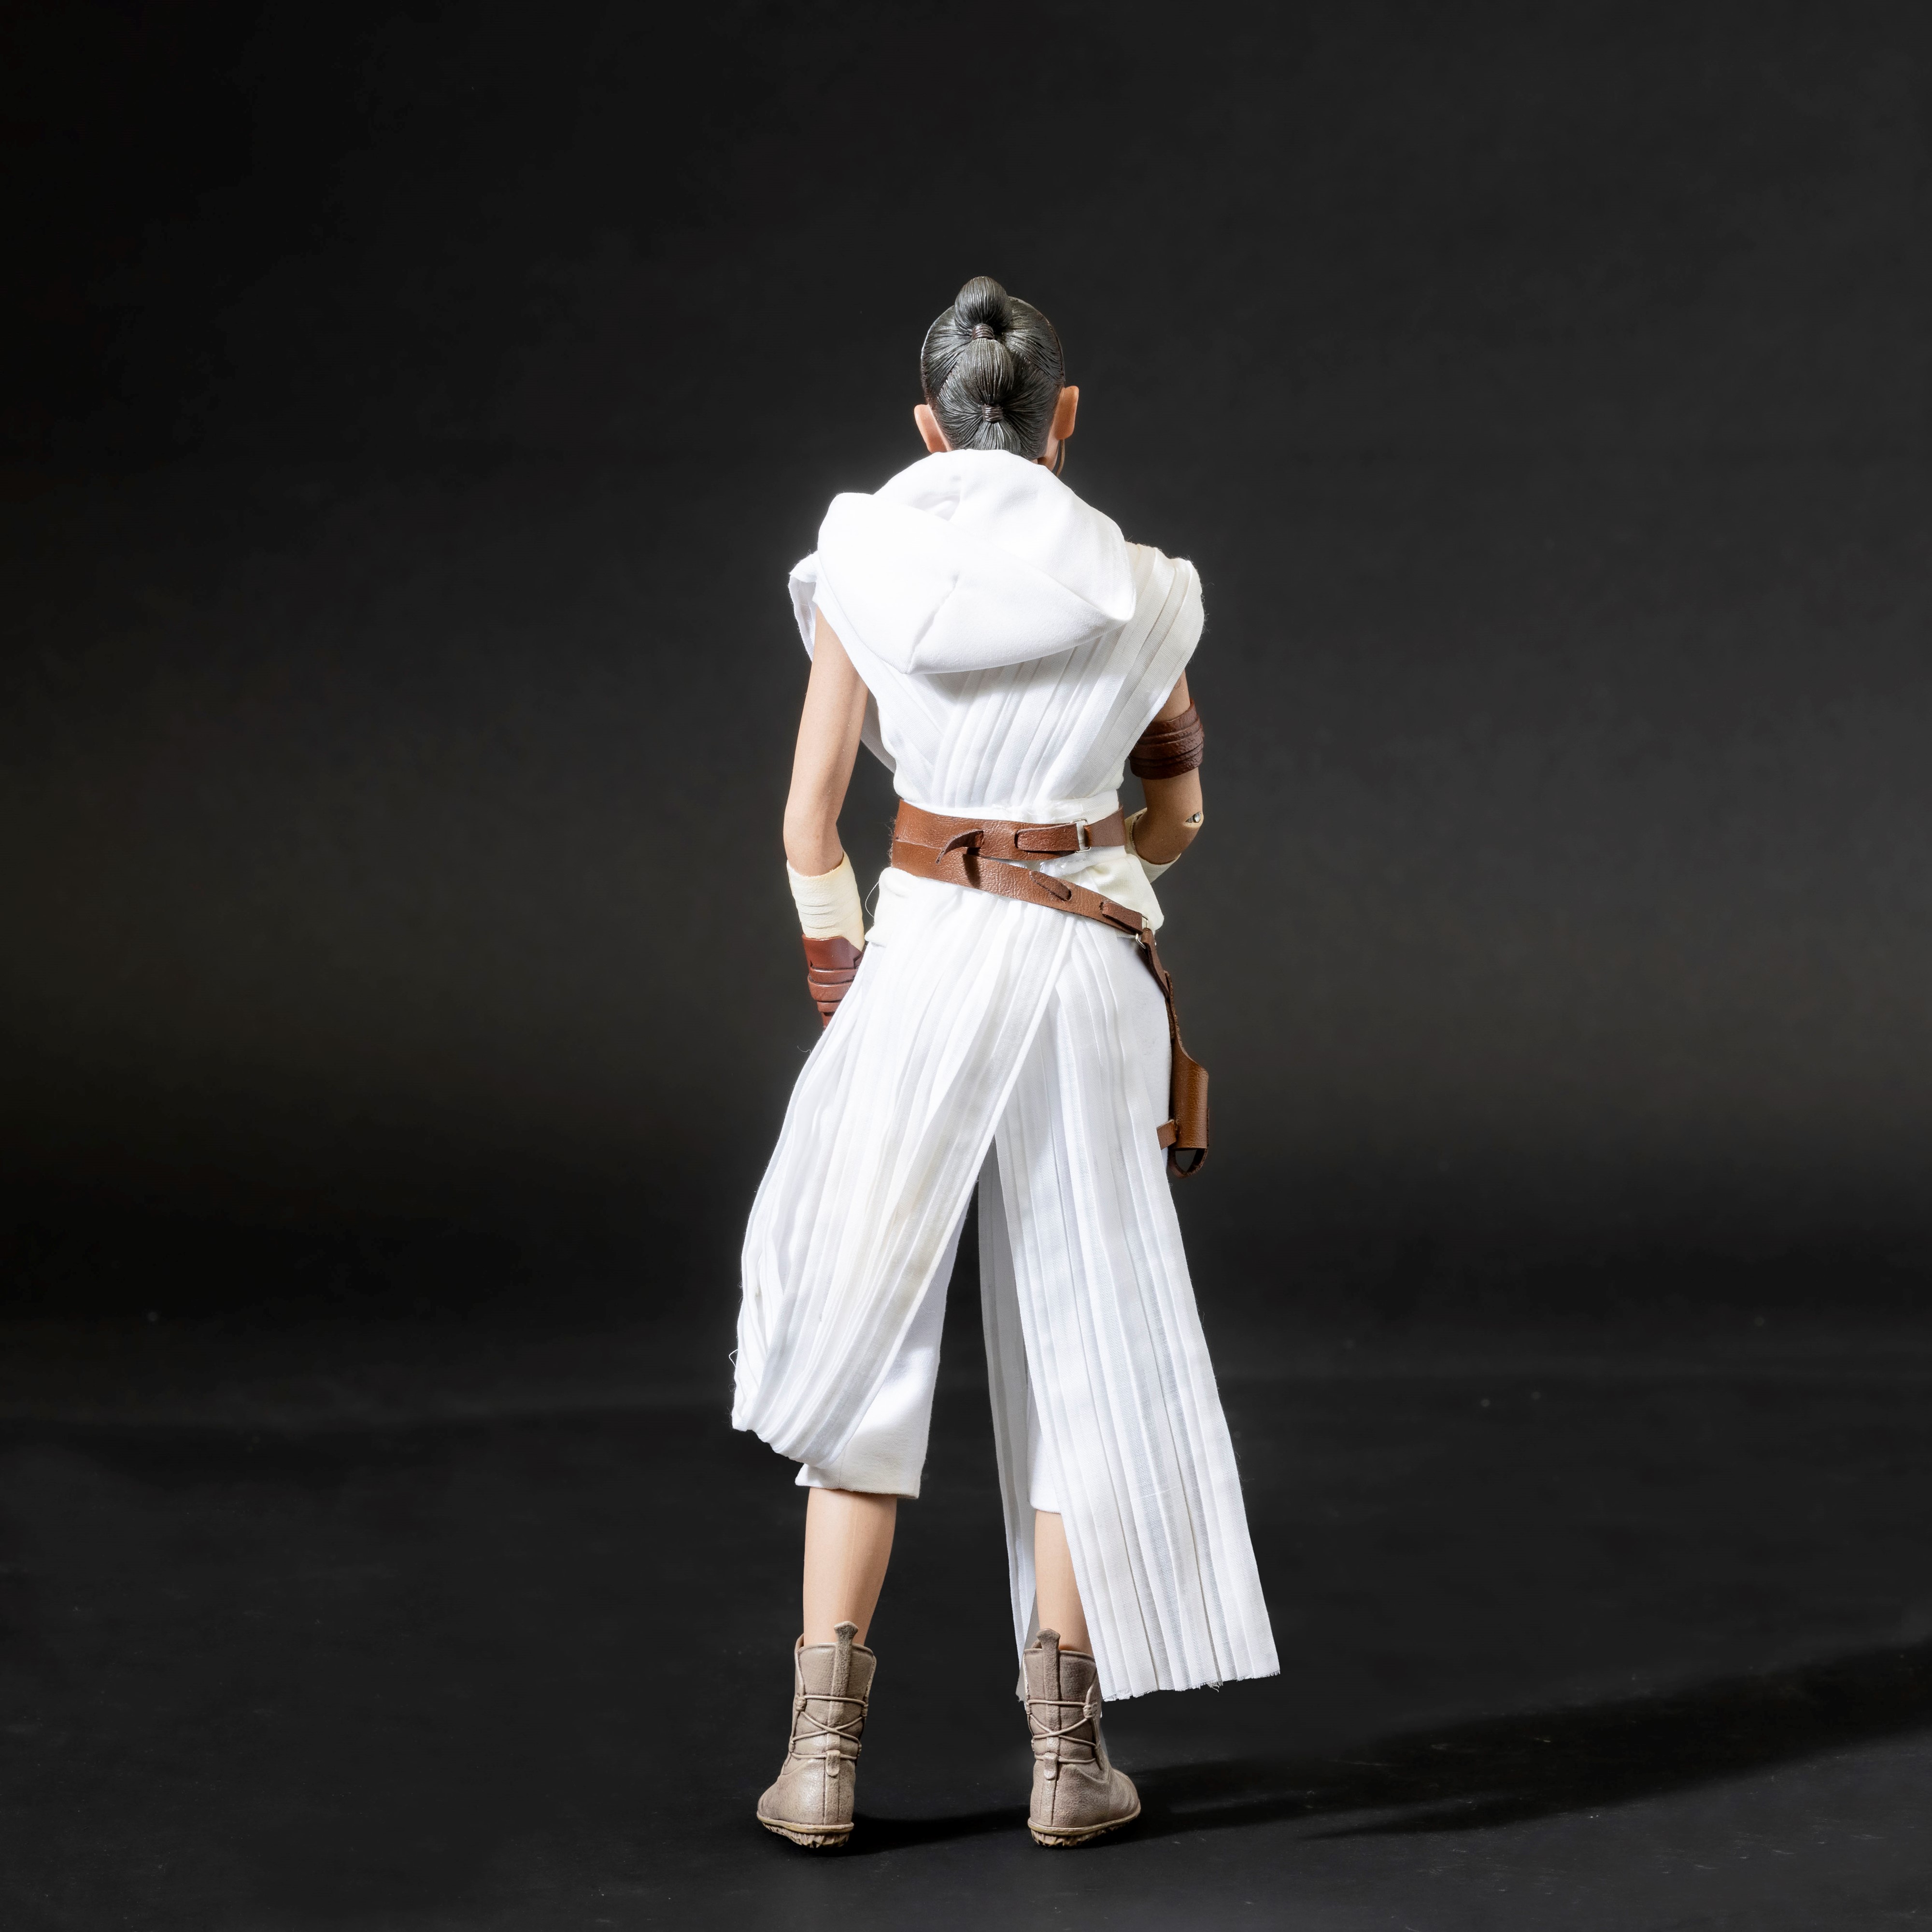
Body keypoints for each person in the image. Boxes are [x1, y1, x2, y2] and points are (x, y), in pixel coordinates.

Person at [733, 276, 1276, 1850]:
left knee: (869, 1327)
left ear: (929, 425)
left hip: (919, 965)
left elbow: (808, 824)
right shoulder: (1144, 589)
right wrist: (1096, 876)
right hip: (1082, 978)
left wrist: (845, 984)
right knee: (1086, 1338)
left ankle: (821, 1757)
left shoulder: (862, 569)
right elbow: (1176, 805)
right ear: (1065, 419)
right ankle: (1067, 1759)